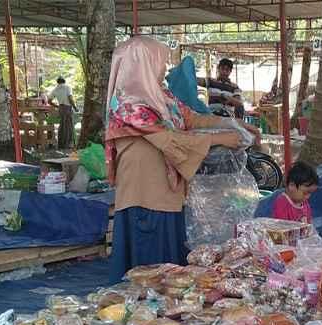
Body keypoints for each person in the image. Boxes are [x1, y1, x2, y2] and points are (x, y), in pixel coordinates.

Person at [106, 36, 260, 283]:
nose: (164, 69)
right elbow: (169, 139)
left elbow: (192, 119)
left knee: (169, 273)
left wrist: (232, 122)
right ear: (141, 64)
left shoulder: (161, 96)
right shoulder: (128, 106)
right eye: (159, 62)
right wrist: (218, 139)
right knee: (148, 272)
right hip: (144, 198)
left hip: (169, 193)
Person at [49, 77, 78, 149]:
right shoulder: (67, 87)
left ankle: (61, 144)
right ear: (64, 81)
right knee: (69, 126)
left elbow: (49, 101)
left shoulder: (55, 89)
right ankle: (69, 144)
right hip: (68, 108)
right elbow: (70, 98)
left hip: (61, 108)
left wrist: (57, 106)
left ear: (57, 82)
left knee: (62, 126)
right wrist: (75, 107)